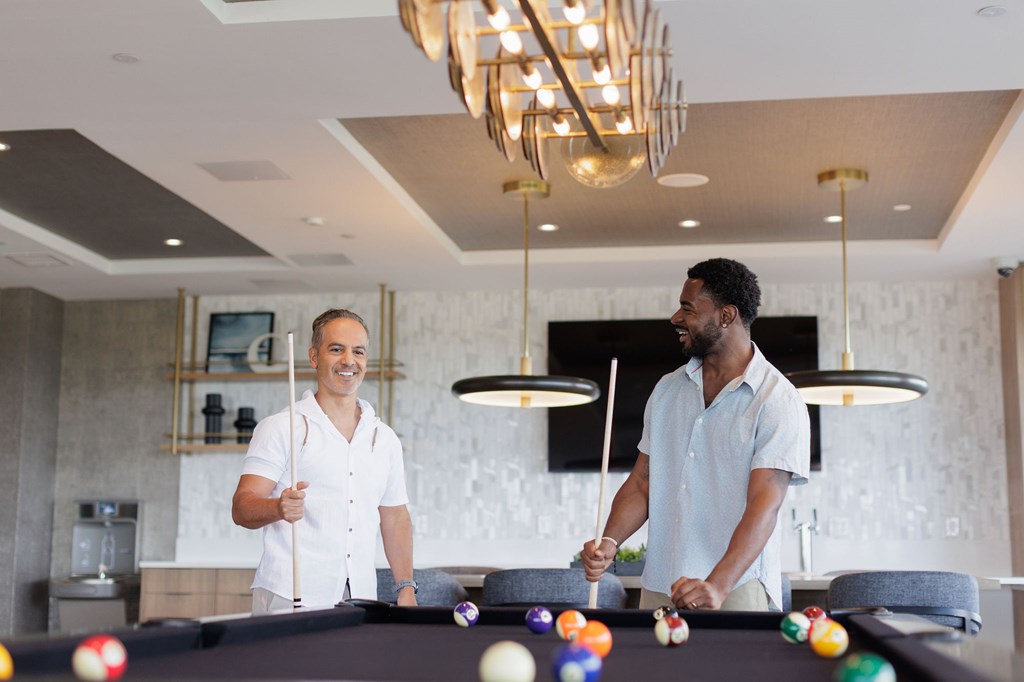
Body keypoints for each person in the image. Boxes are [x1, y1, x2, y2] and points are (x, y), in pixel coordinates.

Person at [580, 258, 810, 612]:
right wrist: (610, 540)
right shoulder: (667, 390)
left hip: (735, 589)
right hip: (660, 584)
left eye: (687, 308)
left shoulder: (777, 399)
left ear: (726, 315)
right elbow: (643, 482)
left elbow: (765, 503)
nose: (675, 318)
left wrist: (717, 586)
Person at [231, 308, 416, 612]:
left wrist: (405, 586)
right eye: (336, 349)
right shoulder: (281, 427)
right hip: (289, 596)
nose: (349, 361)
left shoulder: (384, 439)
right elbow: (242, 506)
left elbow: (395, 517)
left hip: (360, 599)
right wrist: (277, 507)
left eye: (358, 351)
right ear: (314, 357)